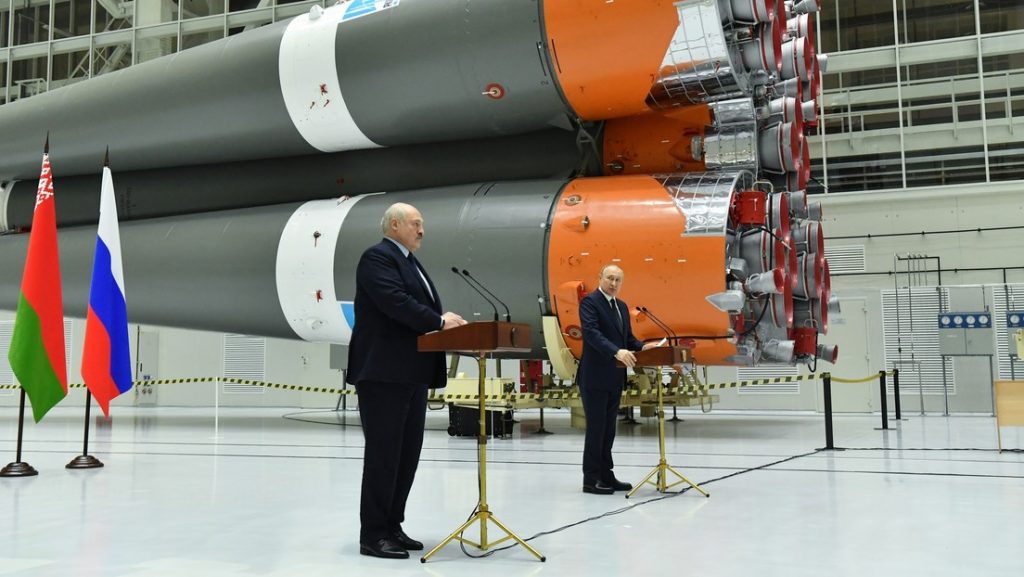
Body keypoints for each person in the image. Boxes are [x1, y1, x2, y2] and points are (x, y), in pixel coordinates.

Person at [347, 202, 467, 559]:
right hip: (384, 374)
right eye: (416, 223)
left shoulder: (410, 262)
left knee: (406, 456)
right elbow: (394, 302)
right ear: (395, 224)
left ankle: (392, 526)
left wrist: (441, 320)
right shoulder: (377, 258)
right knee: (384, 455)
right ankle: (373, 534)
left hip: (410, 374)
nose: (422, 230)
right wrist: (439, 321)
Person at [578, 264, 656, 494]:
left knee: (609, 430)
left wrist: (643, 347)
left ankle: (606, 475)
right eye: (610, 278)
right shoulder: (590, 302)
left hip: (614, 377)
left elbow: (627, 339)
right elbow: (592, 334)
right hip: (594, 376)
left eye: (618, 280)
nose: (613, 283)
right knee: (596, 429)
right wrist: (616, 351)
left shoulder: (621, 306)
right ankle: (591, 479)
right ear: (600, 278)